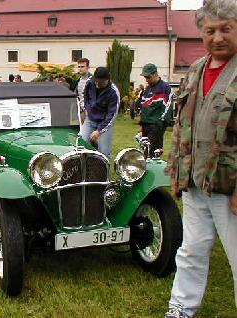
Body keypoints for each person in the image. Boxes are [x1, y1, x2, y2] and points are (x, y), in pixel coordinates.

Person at [165, 1, 237, 317]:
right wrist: (175, 173)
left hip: (230, 187)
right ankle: (181, 307)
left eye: (226, 29)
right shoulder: (195, 70)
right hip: (195, 183)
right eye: (210, 30)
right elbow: (181, 127)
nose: (217, 37)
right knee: (191, 250)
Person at [80, 66, 119, 158]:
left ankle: (104, 171)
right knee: (81, 146)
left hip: (104, 122)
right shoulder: (89, 83)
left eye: (100, 82)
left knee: (104, 153)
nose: (97, 84)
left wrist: (99, 130)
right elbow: (85, 97)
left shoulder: (113, 92)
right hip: (90, 120)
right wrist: (87, 108)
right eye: (96, 81)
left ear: (107, 80)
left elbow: (112, 115)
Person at [138, 63, 173, 157]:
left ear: (155, 74)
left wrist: (160, 124)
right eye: (145, 77)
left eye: (148, 77)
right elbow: (144, 107)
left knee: (152, 153)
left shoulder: (165, 88)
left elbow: (168, 108)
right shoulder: (147, 89)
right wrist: (142, 125)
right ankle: (145, 170)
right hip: (146, 125)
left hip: (156, 125)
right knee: (145, 150)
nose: (146, 80)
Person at [75, 58, 92, 123]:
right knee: (82, 131)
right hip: (81, 110)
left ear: (88, 67)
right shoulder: (78, 80)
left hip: (91, 111)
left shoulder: (93, 80)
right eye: (79, 67)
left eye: (82, 67)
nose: (80, 68)